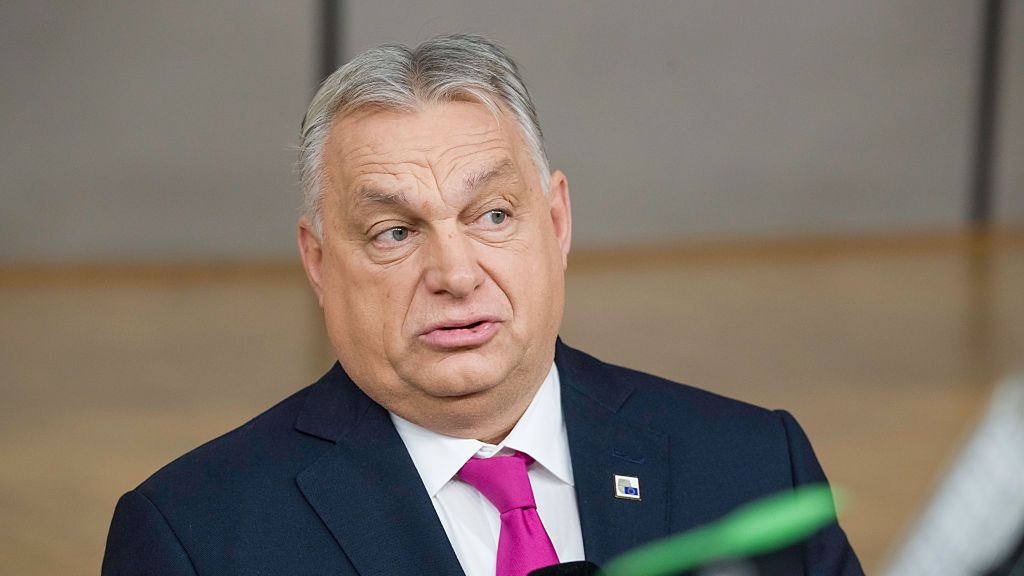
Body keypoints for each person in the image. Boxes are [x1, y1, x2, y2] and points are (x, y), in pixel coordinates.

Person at [102, 34, 863, 576]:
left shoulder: (754, 467)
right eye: (395, 231)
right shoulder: (196, 536)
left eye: (493, 216)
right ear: (320, 262)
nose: (456, 273)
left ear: (557, 221)